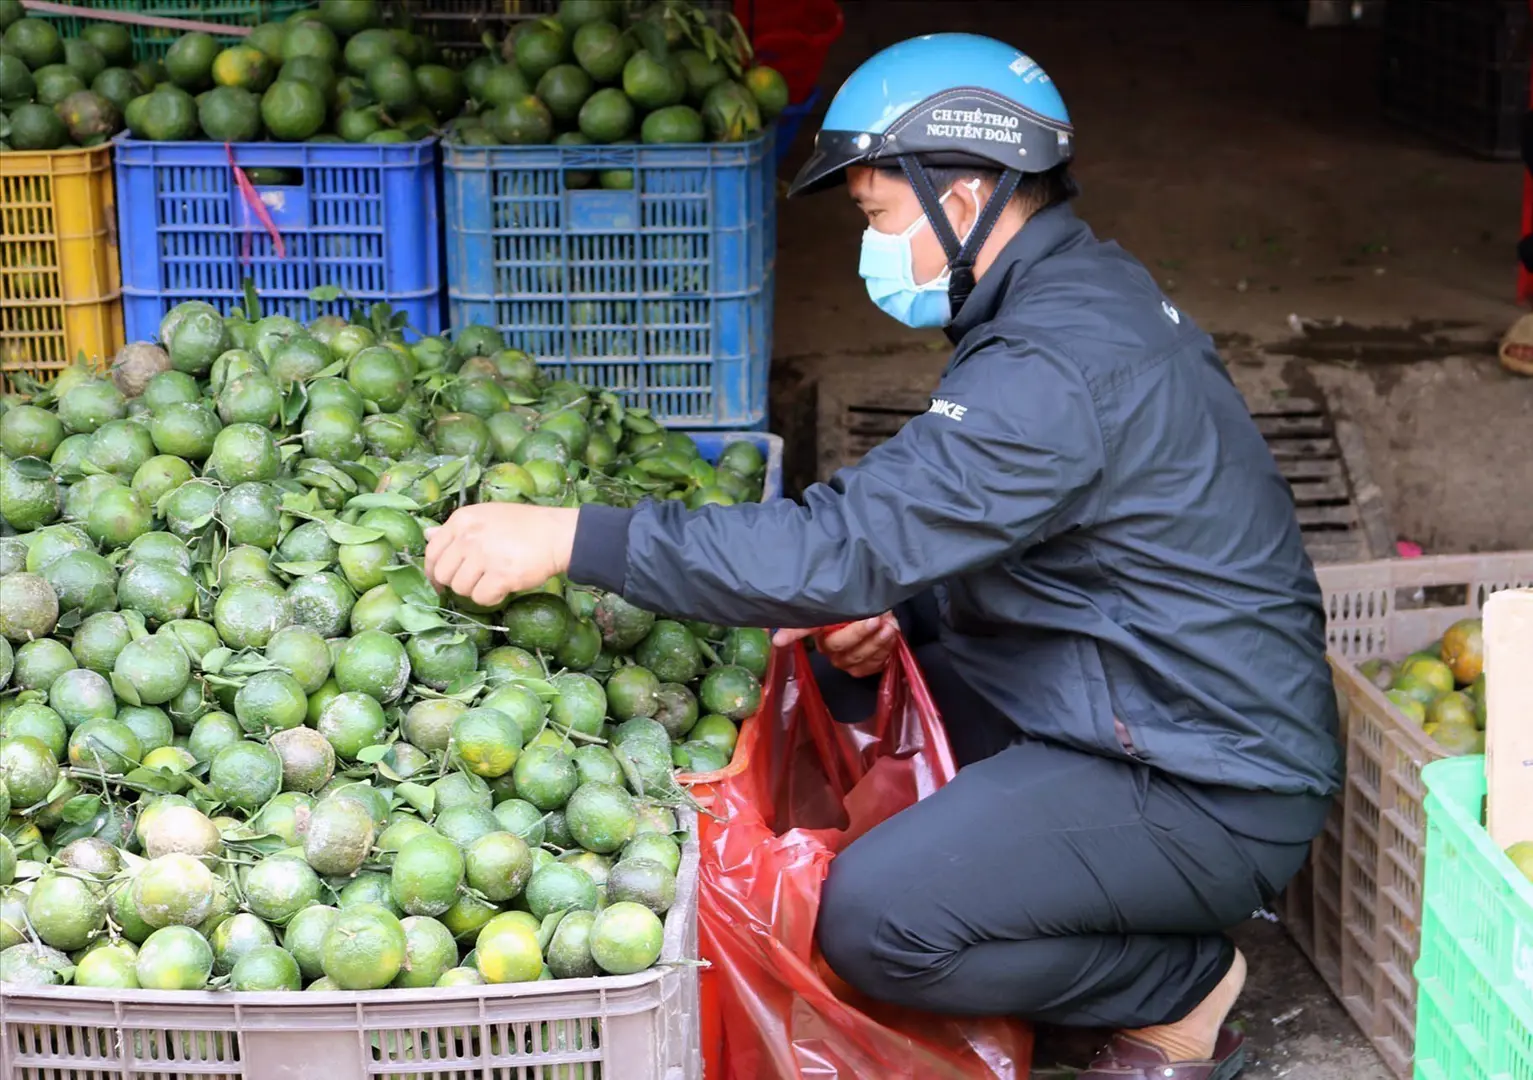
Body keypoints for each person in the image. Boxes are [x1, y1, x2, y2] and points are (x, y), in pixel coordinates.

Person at [424, 32, 1341, 1080]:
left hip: (1207, 778)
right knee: (843, 675)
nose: (869, 247)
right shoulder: (1071, 293)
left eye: (875, 216)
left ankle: (1178, 983)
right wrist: (912, 612)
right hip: (1155, 704)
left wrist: (574, 536)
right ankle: (1065, 927)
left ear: (962, 198)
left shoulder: (1052, 362)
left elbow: (840, 545)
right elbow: (1040, 528)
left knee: (876, 924)